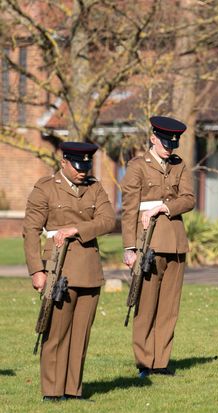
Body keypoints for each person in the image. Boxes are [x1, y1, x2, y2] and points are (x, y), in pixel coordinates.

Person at [23, 142, 116, 401]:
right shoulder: (45, 188)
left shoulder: (94, 188)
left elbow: (108, 220)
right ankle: (52, 391)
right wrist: (36, 271)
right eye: (77, 165)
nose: (82, 171)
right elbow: (30, 231)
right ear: (64, 161)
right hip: (58, 269)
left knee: (80, 334)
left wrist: (77, 229)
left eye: (86, 165)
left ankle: (73, 390)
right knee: (55, 332)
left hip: (89, 269)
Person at [121, 116, 196, 378]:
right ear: (153, 138)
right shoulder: (137, 167)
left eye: (173, 144)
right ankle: (144, 362)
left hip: (175, 243)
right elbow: (129, 209)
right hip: (147, 244)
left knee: (168, 307)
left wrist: (165, 206)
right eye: (166, 142)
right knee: (146, 306)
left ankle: (161, 361)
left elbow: (188, 199)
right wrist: (129, 248)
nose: (170, 147)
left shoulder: (179, 165)